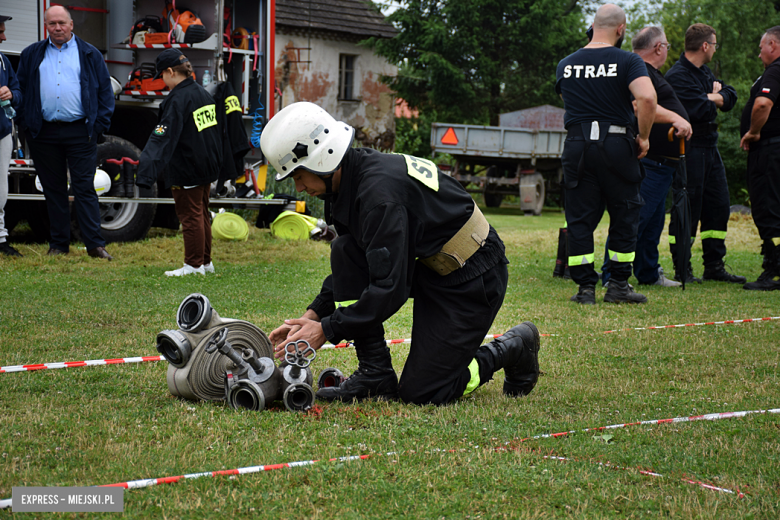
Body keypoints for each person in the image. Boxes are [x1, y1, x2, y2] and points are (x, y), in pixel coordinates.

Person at [261, 101, 541, 406]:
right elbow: (355, 264)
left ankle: (512, 347)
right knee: (344, 249)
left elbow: (388, 289)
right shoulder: (350, 181)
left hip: (471, 277)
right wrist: (313, 314)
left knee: (424, 393)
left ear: (323, 159)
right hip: (428, 268)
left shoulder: (378, 196)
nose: (299, 188)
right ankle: (375, 373)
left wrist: (326, 329)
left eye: (299, 176)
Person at [555, 4, 657, 305]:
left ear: (593, 25)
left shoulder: (566, 64)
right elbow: (647, 97)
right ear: (621, 28)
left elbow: (568, 99)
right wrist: (645, 137)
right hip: (617, 144)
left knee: (580, 217)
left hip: (577, 146)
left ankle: (585, 289)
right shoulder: (627, 60)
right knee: (625, 213)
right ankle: (618, 285)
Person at [15, 6, 114, 259]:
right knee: (53, 190)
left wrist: (99, 124)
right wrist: (28, 123)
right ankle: (59, 245)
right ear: (45, 26)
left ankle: (95, 245)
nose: (57, 28)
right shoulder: (31, 54)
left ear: (71, 24)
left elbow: (105, 92)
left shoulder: (90, 54)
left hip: (81, 132)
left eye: (61, 23)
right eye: (51, 24)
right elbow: (21, 90)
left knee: (84, 188)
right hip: (44, 132)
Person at [603, 27, 693, 288]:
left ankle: (648, 272)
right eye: (666, 45)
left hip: (663, 163)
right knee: (634, 218)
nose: (667, 49)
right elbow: (639, 104)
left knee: (653, 222)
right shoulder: (637, 70)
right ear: (658, 48)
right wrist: (677, 117)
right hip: (650, 161)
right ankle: (611, 275)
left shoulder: (648, 72)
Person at [665, 23, 745, 284]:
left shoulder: (705, 71)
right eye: (715, 44)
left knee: (719, 204)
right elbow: (699, 110)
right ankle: (682, 267)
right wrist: (712, 97)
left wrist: (713, 96)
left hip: (711, 147)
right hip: (690, 147)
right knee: (688, 206)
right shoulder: (678, 76)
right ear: (705, 46)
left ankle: (714, 265)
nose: (715, 49)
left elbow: (730, 97)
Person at [136, 49, 222, 276]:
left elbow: (162, 137)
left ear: (170, 71)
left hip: (187, 165)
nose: (162, 82)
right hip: (206, 164)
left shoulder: (176, 99)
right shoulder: (203, 94)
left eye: (161, 76)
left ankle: (193, 265)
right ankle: (205, 262)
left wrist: (145, 171)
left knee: (190, 215)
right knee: (202, 212)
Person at [739, 26, 780, 291]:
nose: (759, 54)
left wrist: (753, 132)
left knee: (769, 208)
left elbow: (763, 104)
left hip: (770, 152)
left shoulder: (775, 70)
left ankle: (775, 270)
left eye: (761, 47)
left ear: (773, 45)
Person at [0, 15, 22, 257]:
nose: (4, 37)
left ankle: (0, 238)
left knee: (0, 189)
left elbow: (18, 91)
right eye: (0, 32)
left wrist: (12, 94)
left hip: (2, 132)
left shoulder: (3, 61)